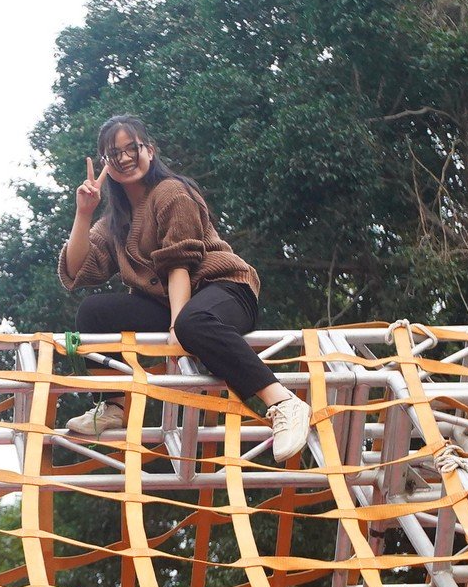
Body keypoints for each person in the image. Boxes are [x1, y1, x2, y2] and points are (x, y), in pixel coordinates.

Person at [57, 115, 311, 462]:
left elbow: (180, 263)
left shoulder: (172, 192)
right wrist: (84, 214)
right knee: (93, 312)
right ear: (105, 163)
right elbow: (77, 271)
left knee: (194, 322)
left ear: (150, 149)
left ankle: (283, 402)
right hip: (174, 304)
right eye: (114, 153)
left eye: (133, 147)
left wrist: (178, 326)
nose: (126, 157)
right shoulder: (114, 220)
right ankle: (114, 405)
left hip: (225, 290)